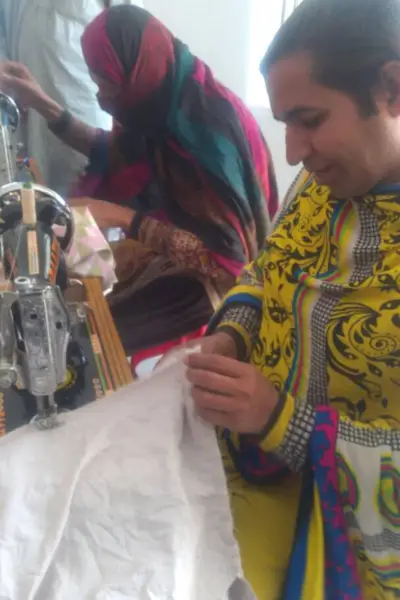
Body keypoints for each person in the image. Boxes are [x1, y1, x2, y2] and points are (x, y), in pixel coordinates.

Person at [180, 0, 400, 598]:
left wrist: (282, 420)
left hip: (352, 534)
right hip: (253, 464)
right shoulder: (322, 181)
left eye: (309, 119)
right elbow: (267, 267)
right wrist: (233, 333)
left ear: (390, 88)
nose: (293, 152)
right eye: (284, 123)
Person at [0, 5, 278, 354]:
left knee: (87, 337)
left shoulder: (206, 137)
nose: (100, 96)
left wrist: (123, 218)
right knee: (71, 292)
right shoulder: (159, 103)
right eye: (96, 81)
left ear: (137, 70)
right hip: (172, 249)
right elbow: (113, 151)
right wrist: (41, 102)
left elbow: (225, 263)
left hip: (216, 285)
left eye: (106, 83)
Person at [0, 0, 137, 194]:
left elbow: (131, 33)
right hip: (25, 103)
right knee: (38, 192)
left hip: (82, 97)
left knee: (85, 190)